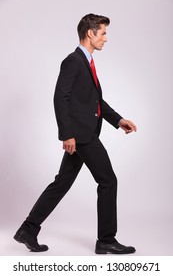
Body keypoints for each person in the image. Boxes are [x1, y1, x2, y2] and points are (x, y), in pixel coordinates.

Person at [14, 13, 137, 254]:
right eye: (103, 33)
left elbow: (96, 101)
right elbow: (61, 97)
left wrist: (118, 120)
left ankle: (28, 229)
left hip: (82, 132)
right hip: (82, 135)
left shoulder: (87, 62)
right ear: (90, 33)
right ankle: (106, 240)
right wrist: (66, 135)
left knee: (62, 182)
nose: (106, 38)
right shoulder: (73, 61)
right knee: (108, 180)